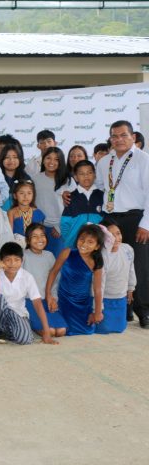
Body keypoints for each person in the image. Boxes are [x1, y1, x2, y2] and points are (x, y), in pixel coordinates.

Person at [94, 120, 149, 327]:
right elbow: (99, 185)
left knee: (140, 265)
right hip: (111, 218)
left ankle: (144, 311)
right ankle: (120, 310)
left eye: (123, 135)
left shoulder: (144, 160)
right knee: (111, 263)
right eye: (114, 136)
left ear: (133, 137)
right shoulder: (104, 161)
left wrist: (146, 224)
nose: (118, 140)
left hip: (136, 218)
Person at [0, 242, 57, 345]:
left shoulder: (27, 277)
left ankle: (8, 331)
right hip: (0, 311)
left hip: (18, 312)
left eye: (17, 260)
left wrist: (47, 331)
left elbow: (37, 303)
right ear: (1, 261)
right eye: (8, 260)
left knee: (25, 339)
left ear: (22, 261)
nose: (12, 264)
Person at [47, 224, 104, 336]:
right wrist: (48, 294)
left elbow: (97, 289)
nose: (84, 244)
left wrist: (97, 312)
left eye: (90, 242)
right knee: (61, 330)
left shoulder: (96, 262)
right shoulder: (67, 252)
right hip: (63, 303)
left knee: (88, 331)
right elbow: (53, 272)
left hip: (83, 304)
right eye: (82, 239)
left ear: (97, 246)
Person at [23, 223, 67, 338]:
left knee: (61, 331)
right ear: (27, 240)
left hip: (47, 299)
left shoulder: (49, 255)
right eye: (34, 236)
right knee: (51, 331)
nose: (39, 239)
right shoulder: (23, 256)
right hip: (31, 301)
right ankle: (29, 320)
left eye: (42, 235)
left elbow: (55, 280)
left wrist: (53, 298)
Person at [31, 147, 72, 257]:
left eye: (56, 159)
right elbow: (31, 203)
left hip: (58, 229)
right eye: (48, 158)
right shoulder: (35, 179)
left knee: (57, 263)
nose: (51, 162)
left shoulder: (67, 180)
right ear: (43, 160)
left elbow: (73, 208)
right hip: (39, 227)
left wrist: (59, 227)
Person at [98, 219, 136, 334]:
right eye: (111, 235)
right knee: (103, 329)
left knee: (120, 328)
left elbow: (131, 270)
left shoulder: (127, 249)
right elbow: (99, 283)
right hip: (105, 299)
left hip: (120, 298)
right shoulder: (102, 255)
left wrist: (131, 288)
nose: (116, 238)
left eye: (118, 233)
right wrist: (98, 307)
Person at [60, 160, 103, 249]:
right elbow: (64, 223)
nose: (86, 176)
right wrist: (69, 240)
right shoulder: (70, 197)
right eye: (81, 174)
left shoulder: (102, 196)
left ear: (95, 175)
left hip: (97, 245)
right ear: (75, 177)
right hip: (75, 245)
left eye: (89, 173)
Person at [7, 180, 45, 247]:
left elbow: (41, 233)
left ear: (33, 195)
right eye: (21, 193)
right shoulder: (11, 212)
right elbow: (9, 233)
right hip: (17, 246)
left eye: (29, 193)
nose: (25, 196)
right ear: (15, 196)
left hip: (35, 245)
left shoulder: (38, 212)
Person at [0, 143, 31, 207]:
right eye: (7, 157)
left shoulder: (26, 178)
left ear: (20, 159)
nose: (11, 160)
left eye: (15, 157)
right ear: (2, 159)